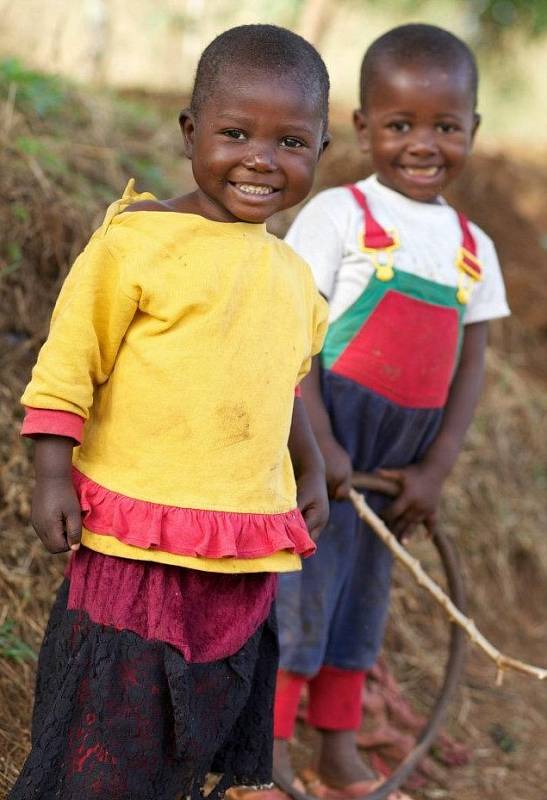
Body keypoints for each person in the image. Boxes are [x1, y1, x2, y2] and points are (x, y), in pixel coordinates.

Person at [10, 24, 331, 800]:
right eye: (235, 133)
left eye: (291, 141)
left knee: (192, 732)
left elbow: (278, 387)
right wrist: (51, 472)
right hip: (136, 541)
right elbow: (67, 367)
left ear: (321, 151)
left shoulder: (292, 277)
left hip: (237, 547)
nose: (261, 158)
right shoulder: (137, 244)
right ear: (191, 133)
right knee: (107, 730)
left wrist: (311, 466)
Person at [273, 23, 510, 800]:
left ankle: (336, 749)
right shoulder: (340, 216)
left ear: (471, 129)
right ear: (362, 125)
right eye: (400, 124)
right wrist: (318, 444)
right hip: (321, 447)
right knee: (298, 596)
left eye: (445, 126)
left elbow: (468, 365)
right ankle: (265, 749)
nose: (423, 143)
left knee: (361, 606)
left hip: (394, 465)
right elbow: (292, 337)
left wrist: (435, 468)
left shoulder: (472, 247)